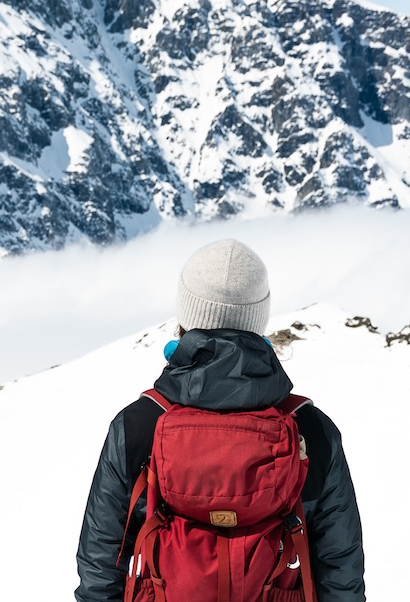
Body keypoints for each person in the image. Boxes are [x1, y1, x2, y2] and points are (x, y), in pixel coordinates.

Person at [74, 238, 366, 601]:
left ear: (187, 314)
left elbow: (101, 561)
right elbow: (340, 568)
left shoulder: (138, 425)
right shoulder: (311, 429)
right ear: (258, 317)